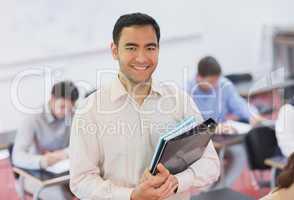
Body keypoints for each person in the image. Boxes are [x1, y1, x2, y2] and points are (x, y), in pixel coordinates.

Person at [69, 13, 220, 200]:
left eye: (150, 48)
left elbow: (211, 163)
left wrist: (176, 182)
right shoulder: (90, 110)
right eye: (131, 48)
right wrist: (131, 196)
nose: (142, 58)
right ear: (114, 51)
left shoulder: (180, 100)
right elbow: (81, 180)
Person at [186, 56, 262, 187]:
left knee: (239, 152)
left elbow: (239, 104)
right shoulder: (186, 91)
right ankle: (209, 192)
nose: (215, 85)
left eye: (216, 81)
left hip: (222, 138)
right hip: (197, 142)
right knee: (208, 165)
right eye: (211, 82)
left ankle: (220, 190)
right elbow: (187, 123)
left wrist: (252, 115)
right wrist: (213, 127)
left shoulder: (223, 85)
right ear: (199, 77)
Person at [13, 81, 79, 200]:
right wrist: (43, 160)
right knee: (61, 197)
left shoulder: (73, 115)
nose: (65, 112)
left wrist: (62, 154)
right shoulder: (33, 119)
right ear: (52, 99)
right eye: (62, 107)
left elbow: (83, 144)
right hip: (37, 177)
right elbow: (17, 156)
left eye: (69, 108)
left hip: (66, 172)